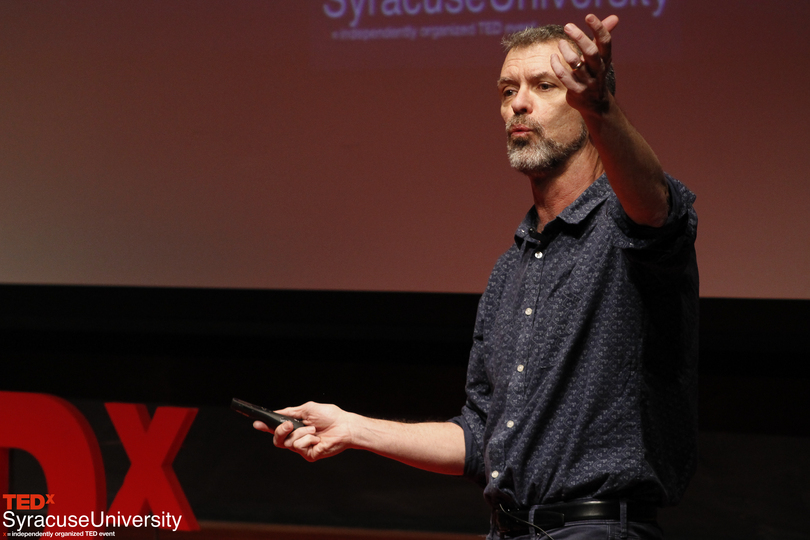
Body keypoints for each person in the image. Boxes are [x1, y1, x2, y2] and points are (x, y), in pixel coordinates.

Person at [256, 14, 698, 540]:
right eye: (508, 89)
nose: (519, 103)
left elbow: (655, 206)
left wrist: (601, 108)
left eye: (545, 86)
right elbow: (481, 434)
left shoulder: (628, 229)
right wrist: (353, 428)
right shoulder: (512, 267)